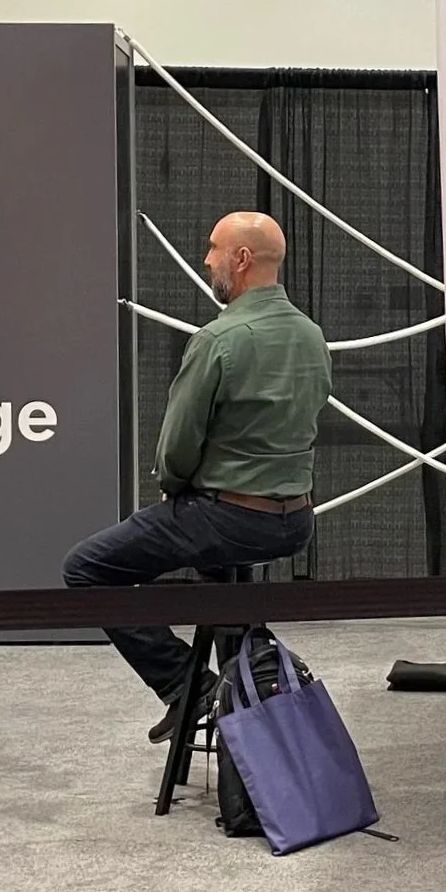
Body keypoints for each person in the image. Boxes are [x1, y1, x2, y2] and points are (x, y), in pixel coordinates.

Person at [64, 212, 331, 742]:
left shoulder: (218, 339)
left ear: (242, 260)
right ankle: (250, 691)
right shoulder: (311, 334)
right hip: (295, 521)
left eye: (213, 249)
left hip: (226, 519)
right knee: (221, 574)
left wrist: (175, 482)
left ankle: (191, 688)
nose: (206, 259)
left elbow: (178, 448)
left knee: (86, 570)